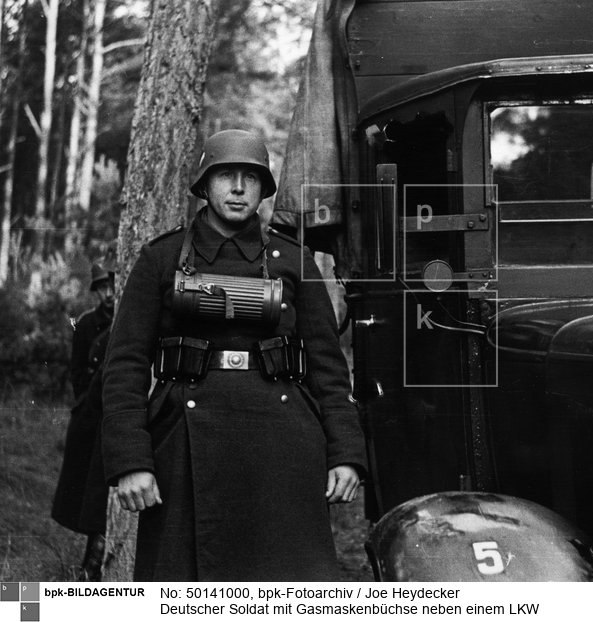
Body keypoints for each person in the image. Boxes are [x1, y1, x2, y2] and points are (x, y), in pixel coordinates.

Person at [101, 129, 366, 581]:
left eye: (251, 177)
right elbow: (124, 366)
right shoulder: (161, 259)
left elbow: (328, 367)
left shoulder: (292, 260)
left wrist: (346, 453)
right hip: (183, 445)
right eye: (226, 175)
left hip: (282, 445)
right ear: (205, 185)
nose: (239, 188)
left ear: (265, 189)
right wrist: (131, 461)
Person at [52, 264, 115, 580]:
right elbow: (77, 370)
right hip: (90, 420)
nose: (109, 293)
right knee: (87, 493)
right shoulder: (87, 324)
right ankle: (90, 565)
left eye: (113, 286)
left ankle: (96, 562)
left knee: (104, 493)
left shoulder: (127, 322)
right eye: (103, 287)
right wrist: (85, 404)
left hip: (113, 418)